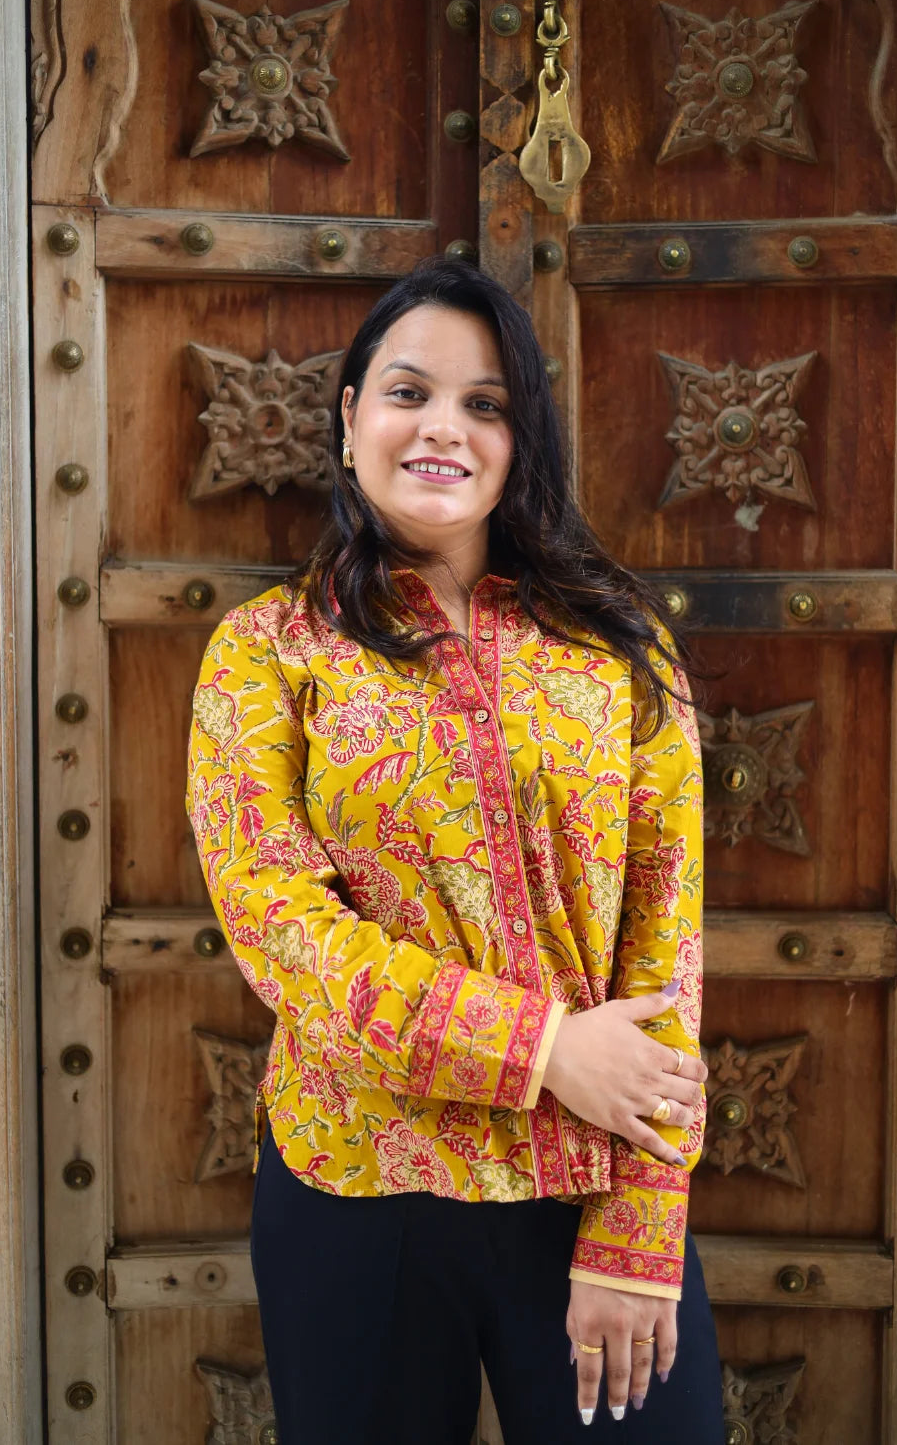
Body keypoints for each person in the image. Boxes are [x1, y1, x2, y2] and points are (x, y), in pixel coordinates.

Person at [186, 256, 723, 1444]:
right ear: (349, 419)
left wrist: (640, 1227)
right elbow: (280, 928)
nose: (444, 428)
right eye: (408, 392)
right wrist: (538, 1049)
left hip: (590, 1185)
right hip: (358, 1185)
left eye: (486, 405)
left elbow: (665, 944)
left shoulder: (617, 652)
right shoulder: (267, 654)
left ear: (521, 439)